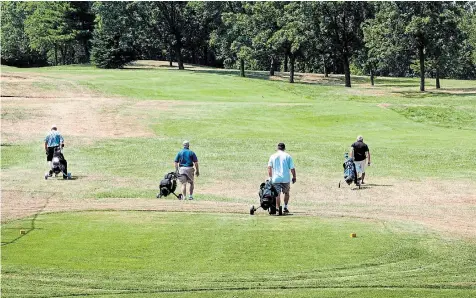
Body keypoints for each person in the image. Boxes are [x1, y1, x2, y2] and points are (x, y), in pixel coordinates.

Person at [267, 142, 296, 214]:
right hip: (286, 178)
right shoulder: (288, 156)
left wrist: (270, 177)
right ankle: (285, 207)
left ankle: (277, 208)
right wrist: (294, 177)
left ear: (277, 148)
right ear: (284, 148)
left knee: (277, 194)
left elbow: (269, 167)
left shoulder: (273, 156)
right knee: (286, 193)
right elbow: (292, 168)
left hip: (276, 178)